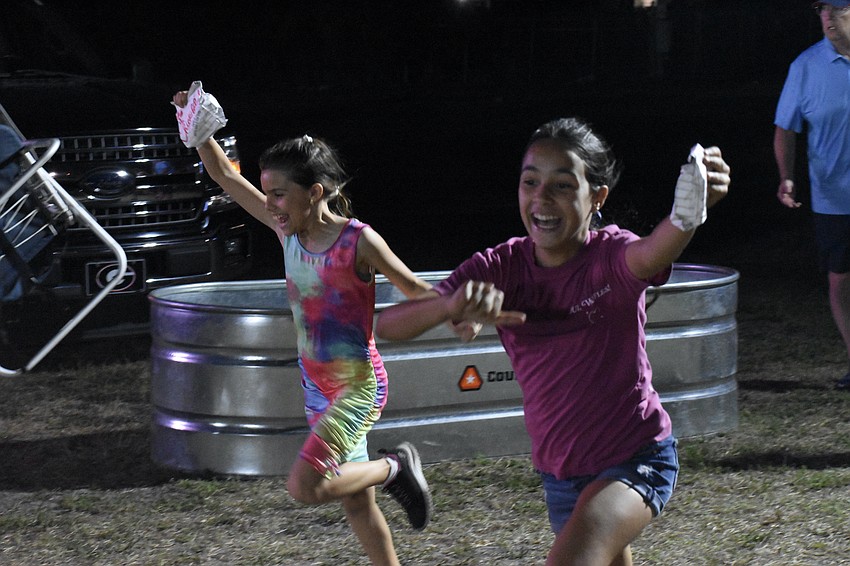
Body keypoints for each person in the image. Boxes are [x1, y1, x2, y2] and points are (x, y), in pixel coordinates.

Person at [376, 117, 731, 566]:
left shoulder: (609, 257)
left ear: (597, 197)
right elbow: (389, 325)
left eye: (562, 185)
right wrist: (449, 305)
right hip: (562, 476)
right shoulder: (502, 266)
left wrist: (687, 213)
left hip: (635, 458)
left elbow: (653, 250)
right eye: (530, 182)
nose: (541, 198)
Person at [172, 87, 433, 566]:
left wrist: (465, 310)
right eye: (267, 192)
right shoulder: (285, 231)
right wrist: (200, 132)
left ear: (314, 192)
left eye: (279, 194)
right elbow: (225, 175)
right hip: (317, 386)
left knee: (306, 486)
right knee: (356, 504)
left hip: (357, 387)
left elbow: (414, 287)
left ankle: (394, 467)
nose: (270, 204)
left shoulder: (358, 241)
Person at [774, 0, 850, 391]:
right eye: (822, 9)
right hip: (833, 199)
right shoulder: (805, 66)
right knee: (841, 282)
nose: (827, 17)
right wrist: (787, 177)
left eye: (838, 8)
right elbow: (785, 129)